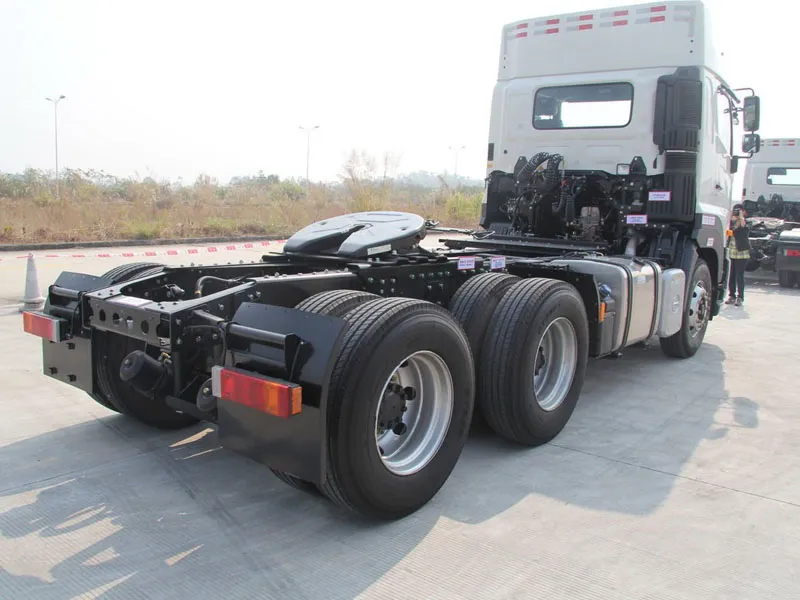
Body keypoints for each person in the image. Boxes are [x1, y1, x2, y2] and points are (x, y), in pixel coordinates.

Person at [726, 203, 751, 306]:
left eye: (738, 211)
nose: (736, 213)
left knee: (739, 275)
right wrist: (731, 214)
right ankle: (732, 295)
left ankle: (740, 297)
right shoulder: (731, 223)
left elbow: (744, 228)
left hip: (742, 253)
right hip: (732, 251)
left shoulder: (747, 222)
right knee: (731, 275)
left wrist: (741, 217)